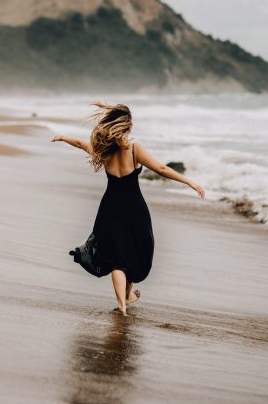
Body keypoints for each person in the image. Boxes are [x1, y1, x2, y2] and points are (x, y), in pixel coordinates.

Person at [51, 101, 205, 316]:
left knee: (117, 258)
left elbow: (79, 143)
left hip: (110, 208)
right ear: (127, 126)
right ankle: (125, 299)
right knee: (135, 251)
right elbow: (160, 168)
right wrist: (189, 182)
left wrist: (63, 137)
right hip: (134, 209)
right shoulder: (134, 149)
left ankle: (123, 304)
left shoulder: (104, 151)